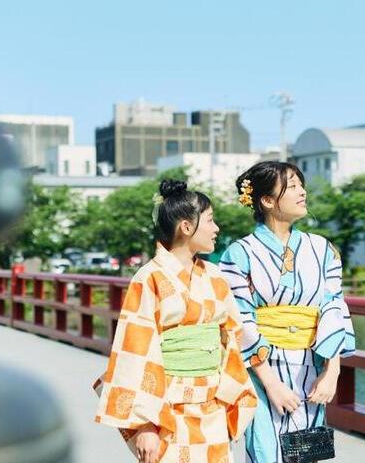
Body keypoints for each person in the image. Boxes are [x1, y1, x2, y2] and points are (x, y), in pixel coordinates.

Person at [93, 179, 258, 463]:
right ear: (186, 227)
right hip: (166, 410)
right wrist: (145, 425)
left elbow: (232, 337)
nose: (216, 228)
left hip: (212, 406)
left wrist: (230, 394)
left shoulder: (215, 276)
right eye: (210, 220)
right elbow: (136, 350)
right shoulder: (149, 277)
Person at [220, 161, 356, 463]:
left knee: (307, 455)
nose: (302, 192)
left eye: (301, 185)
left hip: (312, 367)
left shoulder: (323, 249)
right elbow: (239, 320)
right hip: (261, 370)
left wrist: (332, 372)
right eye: (292, 186)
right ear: (268, 201)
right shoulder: (239, 253)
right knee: (266, 452)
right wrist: (271, 383)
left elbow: (334, 307)